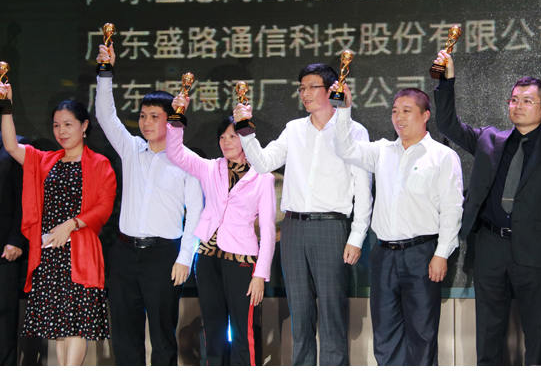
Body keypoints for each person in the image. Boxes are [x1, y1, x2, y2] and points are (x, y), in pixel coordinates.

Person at [433, 51, 541, 365]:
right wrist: (446, 81)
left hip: (534, 254)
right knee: (488, 333)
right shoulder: (489, 140)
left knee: (536, 334)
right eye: (513, 100)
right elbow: (447, 124)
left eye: (527, 101)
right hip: (490, 248)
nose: (518, 106)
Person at [233, 63, 372, 366]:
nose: (305, 94)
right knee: (300, 312)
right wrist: (245, 132)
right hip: (294, 228)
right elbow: (263, 163)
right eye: (301, 88)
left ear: (332, 89)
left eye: (312, 87)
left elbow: (363, 189)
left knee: (332, 312)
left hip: (331, 227)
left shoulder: (354, 131)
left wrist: (357, 235)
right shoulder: (294, 129)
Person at [331, 82, 463, 365]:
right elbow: (345, 148)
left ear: (425, 115)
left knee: (422, 333)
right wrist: (343, 110)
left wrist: (442, 254)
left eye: (406, 110)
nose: (399, 117)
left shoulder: (442, 156)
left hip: (422, 254)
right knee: (385, 332)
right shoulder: (382, 151)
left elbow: (452, 209)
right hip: (384, 255)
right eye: (394, 111)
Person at [95, 44, 202, 365]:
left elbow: (196, 214)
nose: (146, 122)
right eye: (142, 116)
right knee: (125, 336)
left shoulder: (188, 162)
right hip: (125, 253)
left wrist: (185, 258)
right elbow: (105, 116)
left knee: (162, 336)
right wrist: (105, 73)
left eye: (154, 117)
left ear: (171, 121)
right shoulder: (132, 149)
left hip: (163, 255)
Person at [0, 86, 116, 366]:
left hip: (80, 251)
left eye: (68, 124)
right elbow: (11, 146)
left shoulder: (99, 164)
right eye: (56, 125)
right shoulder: (46, 160)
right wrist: (6, 106)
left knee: (76, 325)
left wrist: (73, 224)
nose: (61, 131)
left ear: (84, 126)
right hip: (50, 253)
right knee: (59, 328)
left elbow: (104, 206)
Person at [166, 93, 276, 366]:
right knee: (213, 330)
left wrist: (260, 275)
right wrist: (177, 117)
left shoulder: (262, 177)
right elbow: (175, 153)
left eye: (233, 136)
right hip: (207, 258)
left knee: (242, 333)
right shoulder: (210, 168)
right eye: (222, 137)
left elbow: (268, 230)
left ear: (245, 139)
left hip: (241, 262)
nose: (226, 142)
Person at [0, 128, 26, 365]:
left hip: (5, 250)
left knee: (4, 319)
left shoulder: (15, 147)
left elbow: (24, 198)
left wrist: (17, 238)